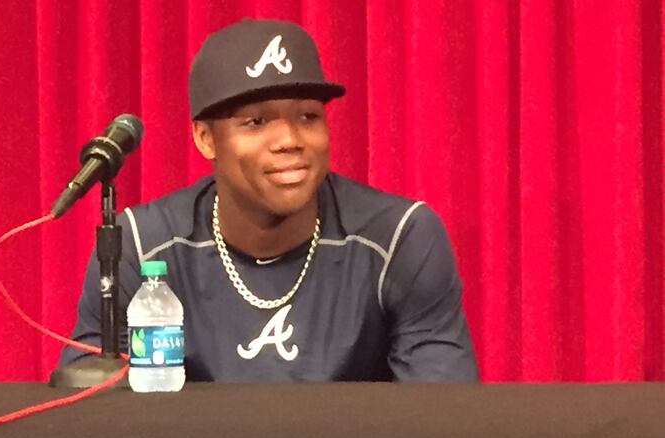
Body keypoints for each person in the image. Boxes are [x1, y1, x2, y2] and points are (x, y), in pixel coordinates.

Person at [58, 18, 478, 382]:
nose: (290, 140)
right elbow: (89, 412)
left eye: (307, 116)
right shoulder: (138, 245)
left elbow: (441, 413)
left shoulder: (399, 239)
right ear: (206, 138)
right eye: (256, 121)